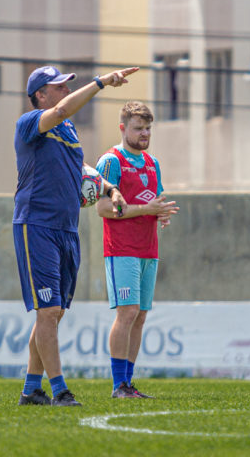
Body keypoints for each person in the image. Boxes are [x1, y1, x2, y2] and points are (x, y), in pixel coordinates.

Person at [14, 65, 138, 406]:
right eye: (58, 86)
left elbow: (82, 171)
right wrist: (100, 82)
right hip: (36, 224)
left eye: (67, 84)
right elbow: (61, 110)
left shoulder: (67, 130)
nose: (65, 89)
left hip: (67, 228)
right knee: (48, 311)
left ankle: (31, 389)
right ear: (40, 94)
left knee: (54, 313)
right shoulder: (31, 123)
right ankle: (60, 390)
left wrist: (110, 188)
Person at [95, 101, 178, 399]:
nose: (144, 134)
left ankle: (128, 384)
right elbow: (104, 208)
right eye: (138, 128)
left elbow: (152, 201)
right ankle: (118, 385)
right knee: (127, 313)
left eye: (148, 129)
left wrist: (160, 214)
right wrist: (147, 208)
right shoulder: (111, 161)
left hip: (148, 249)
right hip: (121, 249)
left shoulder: (152, 163)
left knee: (140, 315)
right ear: (122, 128)